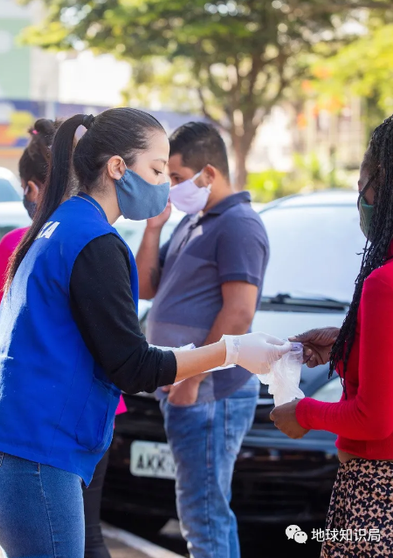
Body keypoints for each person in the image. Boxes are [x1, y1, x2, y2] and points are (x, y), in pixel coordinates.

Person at [0, 108, 290, 558]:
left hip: (12, 452)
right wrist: (231, 351)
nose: (164, 185)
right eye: (157, 170)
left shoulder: (61, 224)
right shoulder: (93, 240)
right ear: (118, 167)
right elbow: (132, 366)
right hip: (35, 458)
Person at [0, 118, 120, 558]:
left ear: (32, 187)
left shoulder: (34, 237)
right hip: (60, 427)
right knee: (87, 534)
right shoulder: (84, 237)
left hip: (49, 423)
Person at [136, 122, 269, 558]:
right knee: (204, 513)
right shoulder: (193, 222)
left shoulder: (239, 225)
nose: (170, 187)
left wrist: (192, 379)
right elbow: (146, 287)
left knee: (203, 516)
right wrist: (154, 228)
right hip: (188, 389)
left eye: (176, 177)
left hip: (210, 394)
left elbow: (239, 312)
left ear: (208, 174)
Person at [271, 115, 393, 558]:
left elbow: (374, 418)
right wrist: (348, 341)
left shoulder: (384, 284)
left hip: (375, 495)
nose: (361, 200)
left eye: (363, 186)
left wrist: (302, 413)